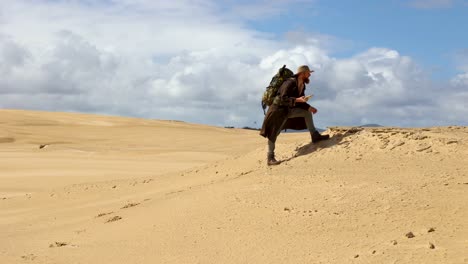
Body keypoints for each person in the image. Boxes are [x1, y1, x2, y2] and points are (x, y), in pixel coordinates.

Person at [260, 65, 330, 166]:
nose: (310, 75)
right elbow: (282, 99)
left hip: (288, 110)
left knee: (307, 113)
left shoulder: (302, 85)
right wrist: (298, 100)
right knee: (273, 133)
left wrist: (309, 107)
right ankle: (270, 158)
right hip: (277, 111)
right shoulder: (289, 82)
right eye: (308, 73)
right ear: (302, 73)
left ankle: (315, 136)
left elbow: (300, 100)